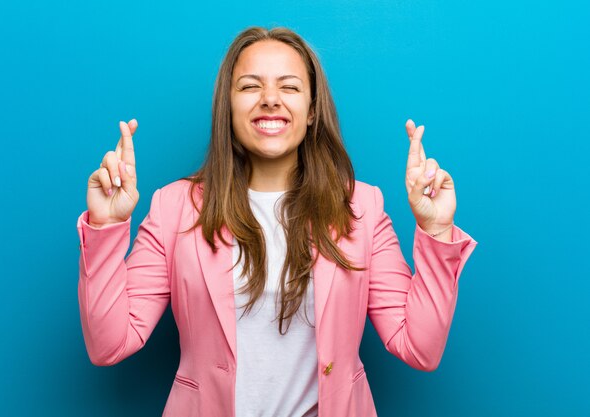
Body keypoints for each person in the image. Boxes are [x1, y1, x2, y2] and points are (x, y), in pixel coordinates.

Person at [76, 26, 477, 417]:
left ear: (311, 110)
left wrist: (436, 230)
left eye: (289, 87)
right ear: (228, 107)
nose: (270, 99)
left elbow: (419, 348)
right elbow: (109, 344)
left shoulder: (362, 206)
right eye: (251, 86)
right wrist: (106, 226)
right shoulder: (174, 207)